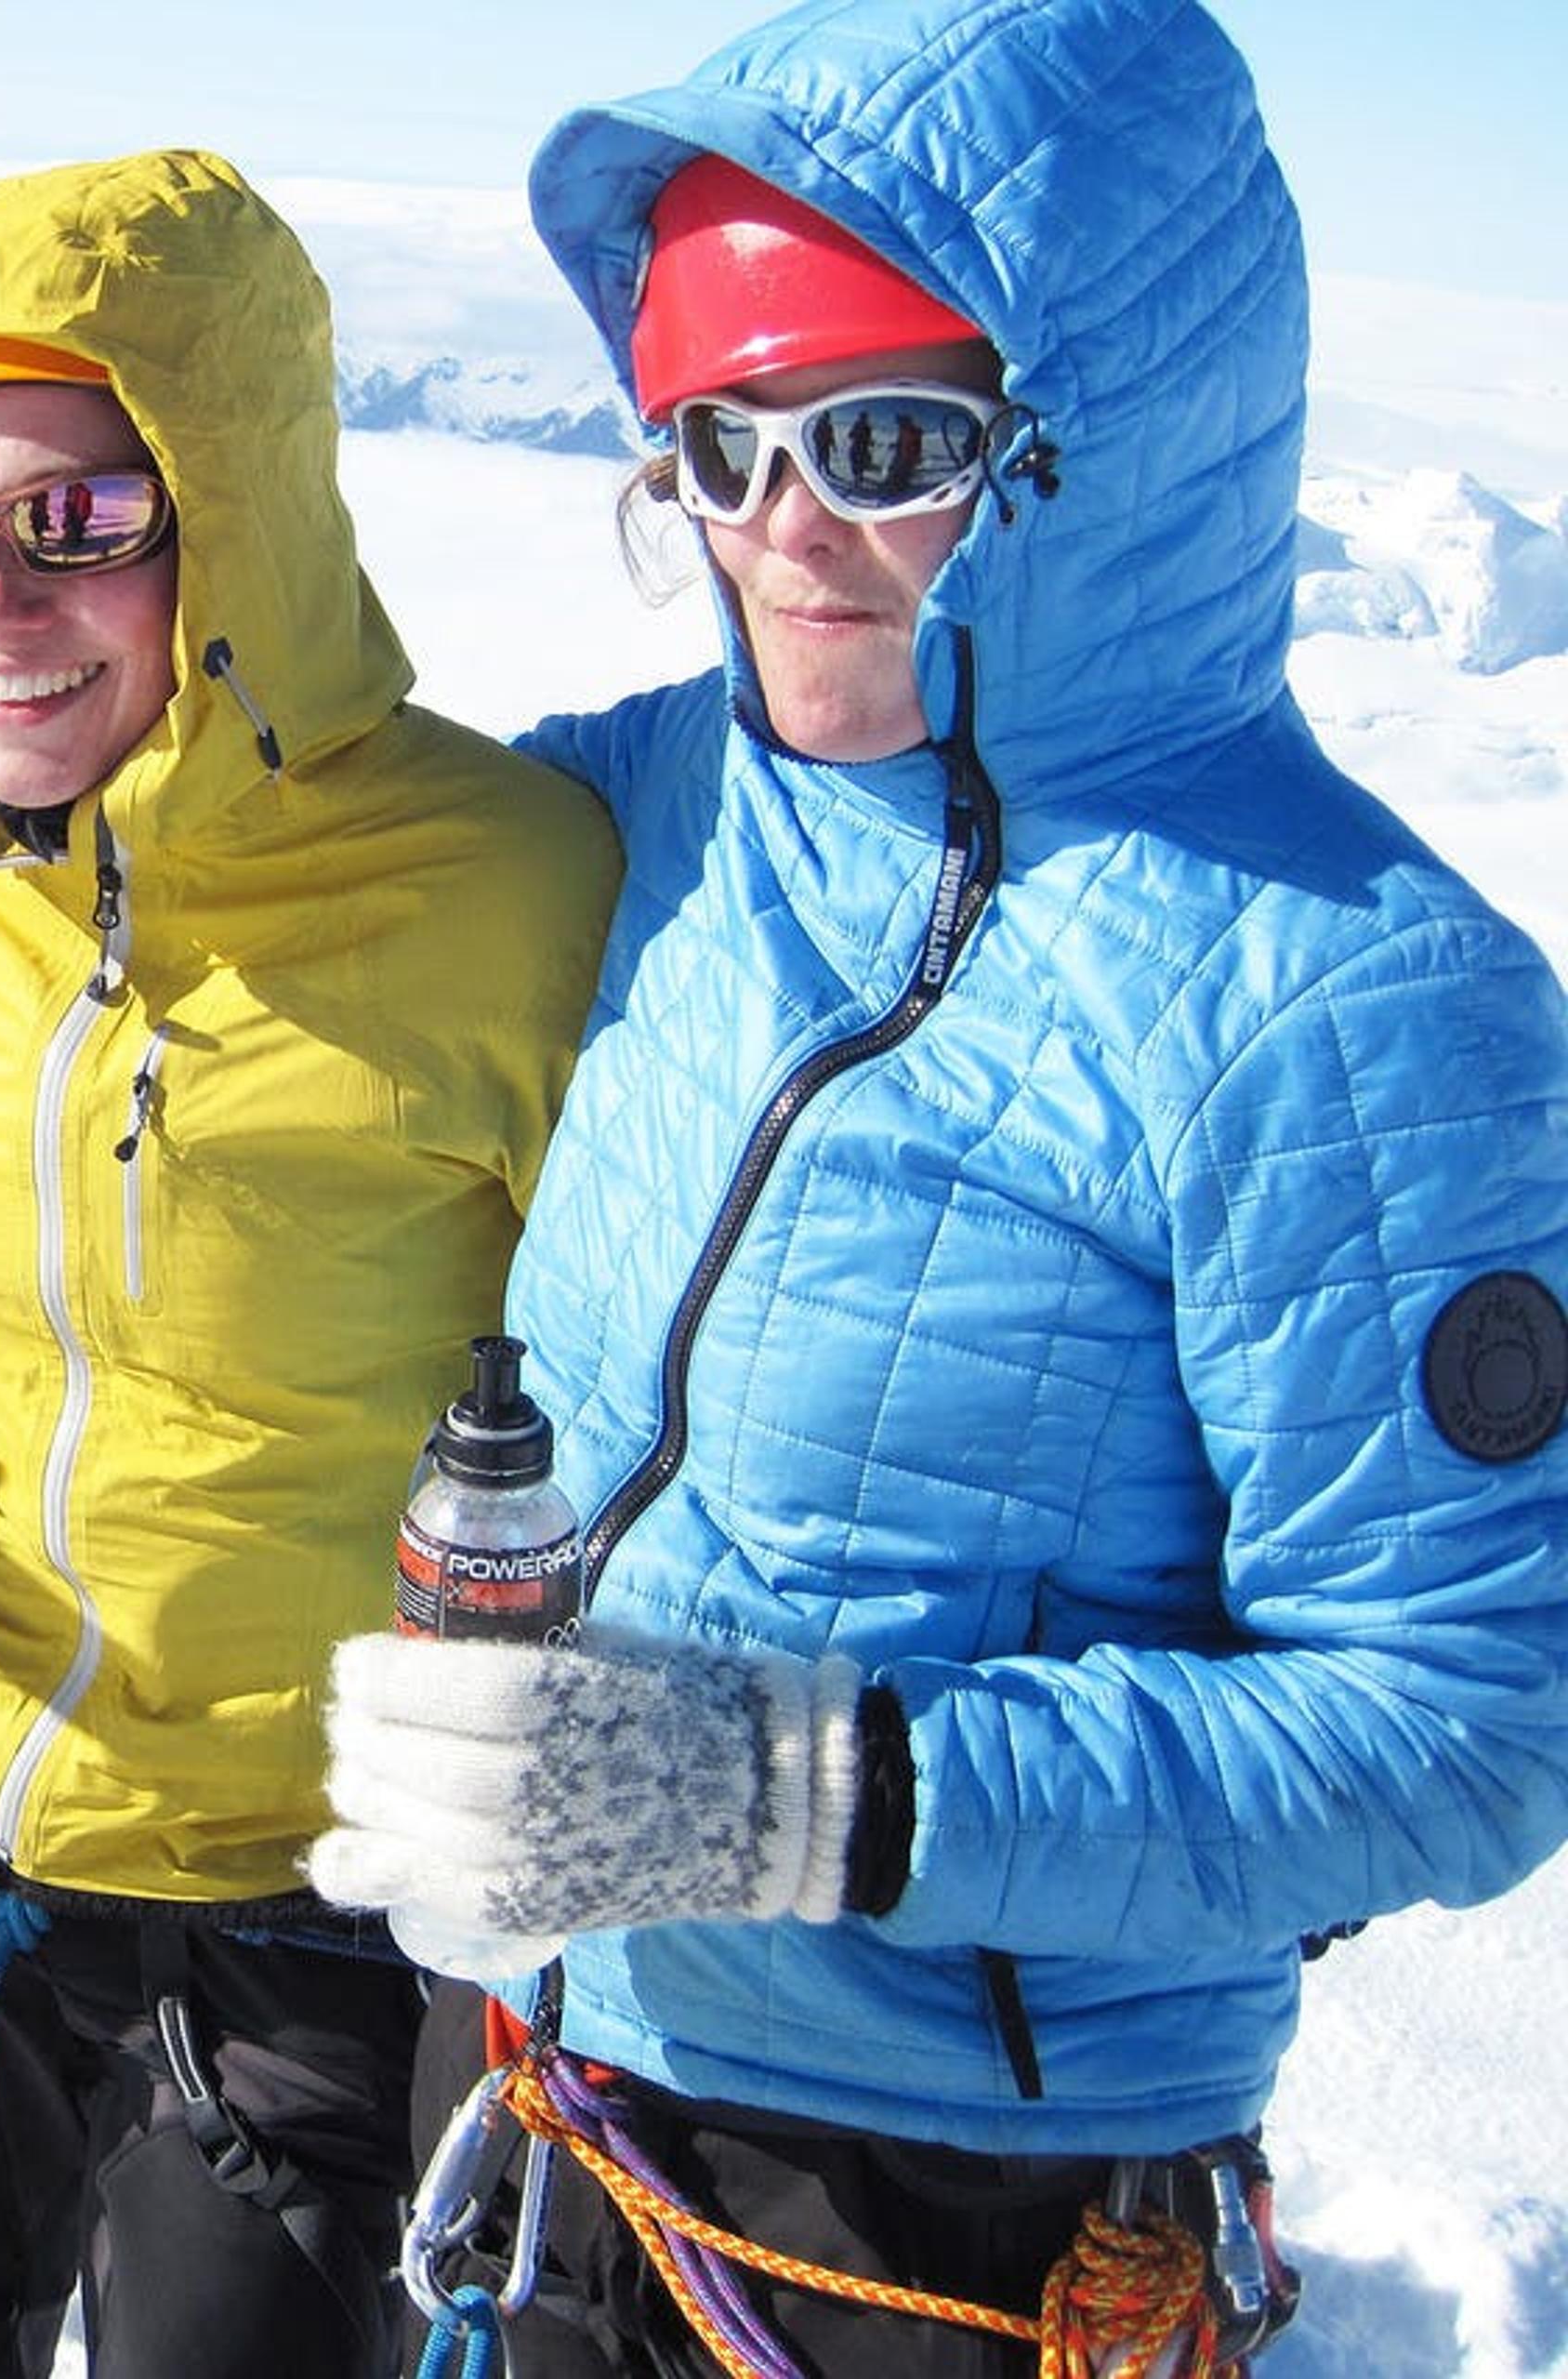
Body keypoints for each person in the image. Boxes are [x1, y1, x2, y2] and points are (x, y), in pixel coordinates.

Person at [308, 1, 1568, 2371]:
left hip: (967, 2206)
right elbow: (299, 837)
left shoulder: (1354, 1001)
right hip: (554, 2060)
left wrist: (802, 1793)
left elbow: (1470, 1720)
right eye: (713, 442)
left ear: (1107, 443)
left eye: (884, 441)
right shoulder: (665, 810)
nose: (780, 531)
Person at [0, 152, 618, 2374]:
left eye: (83, 520)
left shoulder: (508, 897)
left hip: (306, 1907)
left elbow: (652, 1377)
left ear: (238, 521)